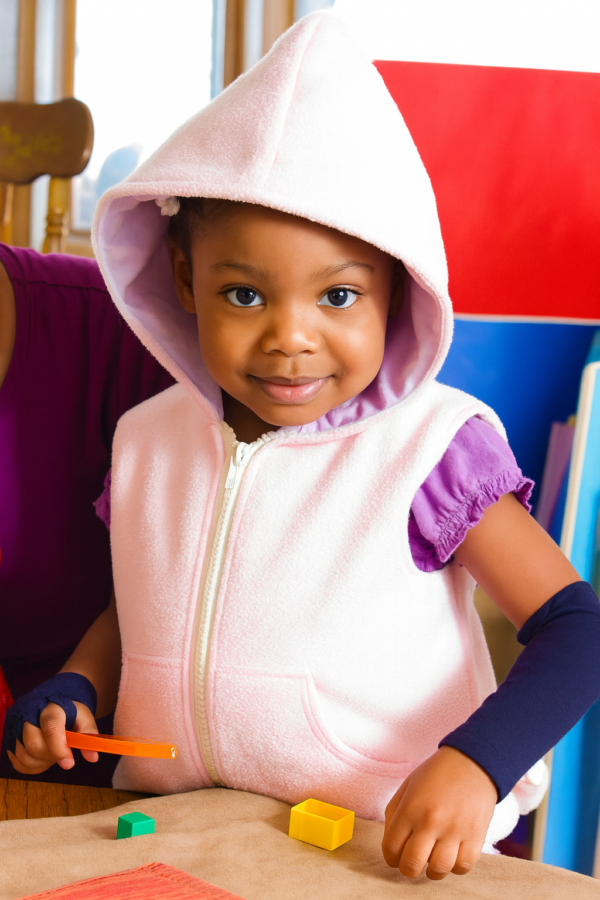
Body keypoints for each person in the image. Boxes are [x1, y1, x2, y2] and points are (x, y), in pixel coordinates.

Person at [5, 12, 600, 878]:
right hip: (179, 838)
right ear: (184, 278)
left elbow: (577, 627)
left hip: (383, 854)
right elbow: (142, 595)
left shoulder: (432, 449)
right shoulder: (147, 439)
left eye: (339, 297)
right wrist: (79, 683)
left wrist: (477, 765)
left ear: (397, 287)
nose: (290, 337)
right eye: (244, 296)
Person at [0, 242, 173, 785]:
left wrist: (78, 681)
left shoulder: (133, 338)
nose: (290, 340)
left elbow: (172, 591)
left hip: (124, 755)